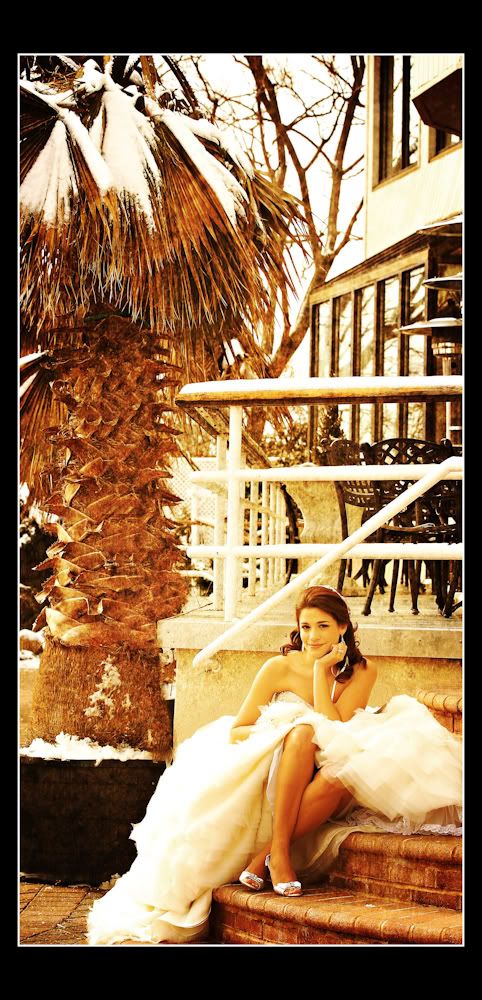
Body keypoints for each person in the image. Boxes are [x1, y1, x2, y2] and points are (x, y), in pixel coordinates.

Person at [87, 585, 462, 945]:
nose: (312, 636)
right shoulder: (277, 667)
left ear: (343, 628)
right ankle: (278, 855)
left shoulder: (362, 671)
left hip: (328, 763)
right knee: (301, 732)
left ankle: (266, 853)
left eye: (323, 626)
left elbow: (336, 727)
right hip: (282, 761)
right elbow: (239, 728)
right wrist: (279, 731)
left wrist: (321, 673)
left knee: (339, 775)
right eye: (306, 627)